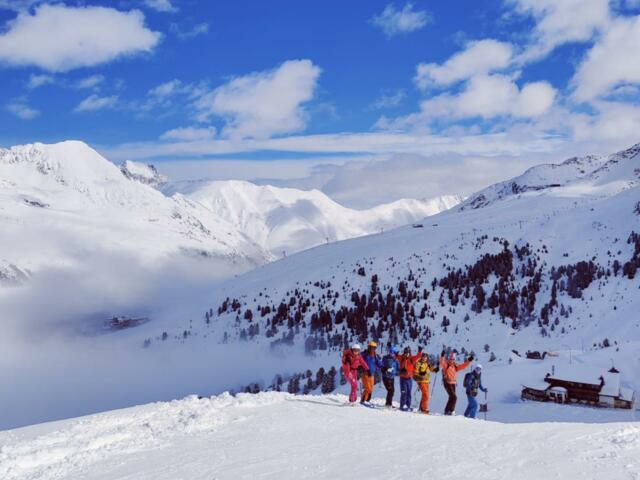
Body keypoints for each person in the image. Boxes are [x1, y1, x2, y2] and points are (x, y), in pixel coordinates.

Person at [440, 349, 474, 415]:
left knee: (451, 397)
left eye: (453, 359)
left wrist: (469, 361)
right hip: (447, 382)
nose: (451, 360)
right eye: (450, 359)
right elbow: (442, 363)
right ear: (449, 359)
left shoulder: (455, 366)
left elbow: (463, 366)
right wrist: (442, 356)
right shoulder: (446, 365)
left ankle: (447, 410)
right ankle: (452, 410)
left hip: (453, 383)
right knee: (454, 397)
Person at [396, 346, 422, 411]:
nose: (406, 354)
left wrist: (420, 351)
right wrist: (395, 353)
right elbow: (396, 356)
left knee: (409, 393)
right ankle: (402, 406)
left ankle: (407, 406)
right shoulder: (401, 358)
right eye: (405, 352)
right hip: (402, 379)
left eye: (407, 352)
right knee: (404, 392)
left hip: (409, 379)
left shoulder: (411, 359)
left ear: (409, 353)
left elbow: (418, 357)